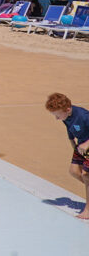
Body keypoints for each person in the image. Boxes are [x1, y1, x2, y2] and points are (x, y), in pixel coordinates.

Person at [45, 92, 89, 220]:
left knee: (86, 176)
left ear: (67, 109)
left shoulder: (83, 116)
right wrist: (74, 146)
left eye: (58, 115)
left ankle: (88, 210)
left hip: (86, 144)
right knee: (74, 171)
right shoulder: (66, 117)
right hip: (80, 147)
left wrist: (86, 144)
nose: (57, 119)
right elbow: (70, 132)